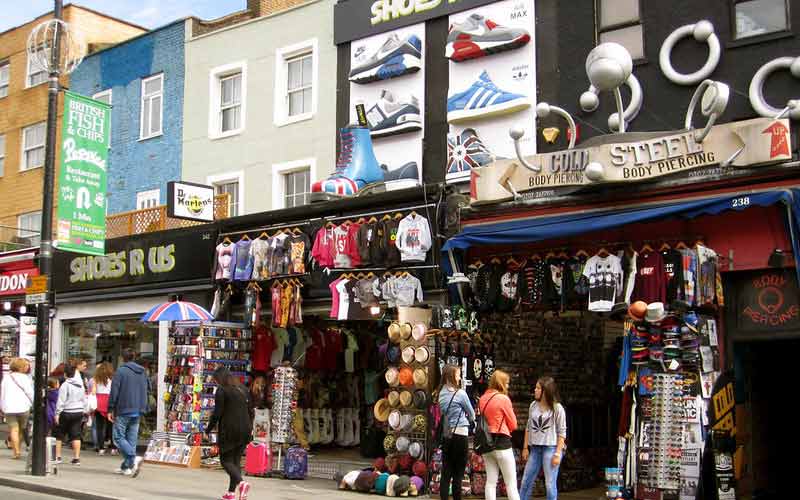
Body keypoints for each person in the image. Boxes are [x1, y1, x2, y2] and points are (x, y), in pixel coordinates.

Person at [206, 366, 253, 500]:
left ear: (219, 379)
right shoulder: (243, 389)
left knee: (225, 461)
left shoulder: (222, 390)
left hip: (230, 429)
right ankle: (231, 493)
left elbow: (217, 414)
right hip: (245, 429)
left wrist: (208, 430)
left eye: (215, 380)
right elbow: (250, 410)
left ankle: (242, 483)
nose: (215, 382)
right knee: (235, 461)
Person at [520, 377, 567, 500]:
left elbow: (562, 432)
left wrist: (558, 453)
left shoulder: (557, 408)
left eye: (538, 388)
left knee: (550, 484)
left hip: (550, 449)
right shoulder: (533, 406)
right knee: (526, 481)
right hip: (535, 448)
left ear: (545, 391)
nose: (535, 390)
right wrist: (525, 447)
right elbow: (528, 427)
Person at [479, 369, 520, 500]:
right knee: (511, 484)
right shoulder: (503, 399)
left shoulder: (483, 398)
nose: (507, 386)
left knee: (491, 482)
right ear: (501, 383)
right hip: (502, 443)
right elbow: (513, 424)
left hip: (486, 443)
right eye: (506, 383)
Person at [108, 348, 149, 477]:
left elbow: (114, 391)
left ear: (123, 358)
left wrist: (110, 408)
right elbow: (148, 389)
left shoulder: (121, 371)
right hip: (138, 409)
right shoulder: (143, 372)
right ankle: (127, 467)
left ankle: (132, 457)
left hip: (124, 408)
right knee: (131, 439)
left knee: (118, 437)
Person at [437, 364, 475, 500]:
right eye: (458, 375)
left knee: (446, 472)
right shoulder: (461, 394)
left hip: (447, 435)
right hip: (460, 435)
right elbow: (472, 415)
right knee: (458, 473)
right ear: (451, 376)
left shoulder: (440, 393)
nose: (459, 378)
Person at [1, 358, 34, 459]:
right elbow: (30, 393)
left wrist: (2, 406)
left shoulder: (7, 378)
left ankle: (16, 452)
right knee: (21, 429)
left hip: (9, 407)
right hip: (23, 406)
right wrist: (34, 403)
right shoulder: (26, 378)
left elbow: (2, 393)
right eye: (26, 365)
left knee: (13, 429)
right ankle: (18, 448)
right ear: (21, 367)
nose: (28, 367)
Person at [55, 363, 87, 465]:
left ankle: (58, 456)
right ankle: (76, 458)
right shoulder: (80, 385)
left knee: (59, 434)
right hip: (78, 411)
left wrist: (57, 413)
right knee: (76, 435)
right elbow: (83, 399)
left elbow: (61, 400)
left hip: (66, 411)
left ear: (65, 374)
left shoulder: (65, 385)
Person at [92, 362, 115, 454]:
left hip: (99, 401)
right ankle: (113, 447)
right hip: (109, 401)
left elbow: (93, 392)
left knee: (99, 427)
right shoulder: (113, 379)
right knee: (112, 426)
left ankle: (101, 447)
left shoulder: (96, 379)